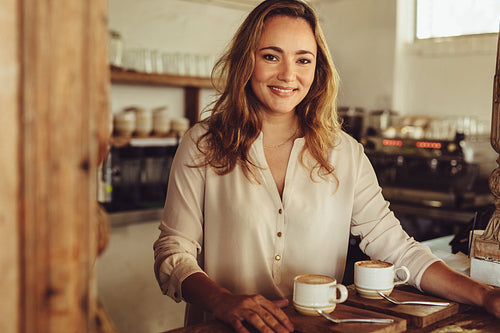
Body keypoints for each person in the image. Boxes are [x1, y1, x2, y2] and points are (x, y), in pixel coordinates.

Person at [154, 1, 500, 332]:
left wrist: (485, 296)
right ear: (247, 61)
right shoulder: (204, 143)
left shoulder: (344, 154)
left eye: (303, 60)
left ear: (317, 69)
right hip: (224, 328)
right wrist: (222, 301)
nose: (288, 74)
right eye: (271, 56)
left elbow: (398, 249)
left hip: (317, 328)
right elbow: (174, 249)